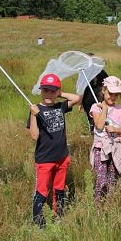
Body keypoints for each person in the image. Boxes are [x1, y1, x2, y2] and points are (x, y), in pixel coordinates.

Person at [28, 73, 81, 227]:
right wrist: (33, 116)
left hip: (62, 157)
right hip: (44, 160)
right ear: (41, 91)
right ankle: (39, 221)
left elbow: (77, 99)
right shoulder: (36, 110)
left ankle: (58, 216)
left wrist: (60, 93)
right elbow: (34, 136)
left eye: (52, 91)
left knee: (59, 188)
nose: (48, 94)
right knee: (42, 191)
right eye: (45, 90)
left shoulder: (60, 106)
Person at [89, 76, 121, 204]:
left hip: (115, 148)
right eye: (110, 93)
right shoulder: (96, 108)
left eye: (116, 95)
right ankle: (98, 205)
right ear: (104, 90)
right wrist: (105, 109)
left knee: (113, 178)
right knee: (101, 179)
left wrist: (115, 130)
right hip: (100, 149)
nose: (113, 97)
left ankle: (109, 203)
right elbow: (99, 126)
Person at [81, 55, 109, 133]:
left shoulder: (100, 71)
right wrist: (80, 102)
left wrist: (105, 97)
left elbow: (106, 83)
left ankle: (101, 131)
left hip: (99, 99)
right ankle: (94, 132)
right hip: (87, 100)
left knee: (101, 116)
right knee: (91, 118)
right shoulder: (83, 72)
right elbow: (82, 88)